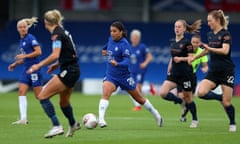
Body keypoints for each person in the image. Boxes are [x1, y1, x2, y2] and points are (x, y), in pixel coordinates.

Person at [98, 21, 163, 128]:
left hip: (124, 77)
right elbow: (106, 48)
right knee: (105, 91)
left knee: (139, 99)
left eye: (114, 31)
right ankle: (101, 120)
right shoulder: (110, 40)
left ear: (121, 32)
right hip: (111, 75)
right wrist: (104, 51)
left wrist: (117, 63)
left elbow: (127, 62)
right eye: (111, 31)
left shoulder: (125, 45)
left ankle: (155, 113)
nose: (112, 33)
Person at [27, 9, 81, 138]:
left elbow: (55, 54)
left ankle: (56, 126)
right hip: (73, 69)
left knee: (42, 96)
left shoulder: (56, 35)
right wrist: (58, 64)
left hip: (68, 71)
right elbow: (72, 52)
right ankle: (73, 124)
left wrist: (38, 65)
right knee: (64, 103)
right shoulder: (64, 32)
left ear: (46, 23)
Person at [191, 9, 237, 132]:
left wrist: (210, 48)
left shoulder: (225, 34)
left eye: (210, 20)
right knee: (200, 93)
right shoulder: (210, 34)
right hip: (214, 72)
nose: (208, 23)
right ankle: (218, 97)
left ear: (217, 20)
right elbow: (206, 50)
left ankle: (232, 123)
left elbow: (225, 51)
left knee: (227, 103)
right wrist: (194, 57)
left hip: (227, 71)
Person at [159, 19, 201, 128]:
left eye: (179, 27)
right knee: (163, 93)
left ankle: (195, 119)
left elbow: (191, 59)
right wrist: (170, 66)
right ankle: (179, 101)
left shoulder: (187, 43)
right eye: (175, 27)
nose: (177, 29)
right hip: (174, 74)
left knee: (189, 98)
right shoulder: (173, 42)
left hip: (186, 74)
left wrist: (181, 59)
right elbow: (172, 57)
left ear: (184, 29)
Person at [8, 17, 42, 125]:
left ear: (27, 28)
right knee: (21, 91)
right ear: (17, 29)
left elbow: (38, 52)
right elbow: (27, 57)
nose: (23, 29)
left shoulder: (30, 38)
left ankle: (52, 86)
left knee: (39, 96)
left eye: (24, 27)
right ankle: (23, 119)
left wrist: (25, 55)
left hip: (34, 69)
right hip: (26, 69)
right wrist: (16, 63)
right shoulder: (22, 40)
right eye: (20, 27)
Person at [178, 34, 208, 122]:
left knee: (189, 99)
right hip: (182, 75)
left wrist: (205, 69)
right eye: (193, 42)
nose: (194, 44)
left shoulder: (202, 52)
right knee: (181, 96)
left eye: (196, 42)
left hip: (192, 77)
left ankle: (185, 115)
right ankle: (183, 109)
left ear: (199, 43)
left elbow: (205, 66)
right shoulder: (185, 49)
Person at [129, 29, 156, 111]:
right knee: (130, 88)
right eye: (133, 37)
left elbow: (150, 56)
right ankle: (148, 88)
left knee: (137, 88)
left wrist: (145, 63)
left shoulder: (142, 47)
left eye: (136, 38)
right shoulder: (129, 48)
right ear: (131, 38)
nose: (135, 39)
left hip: (140, 71)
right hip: (131, 71)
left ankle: (138, 106)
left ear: (139, 38)